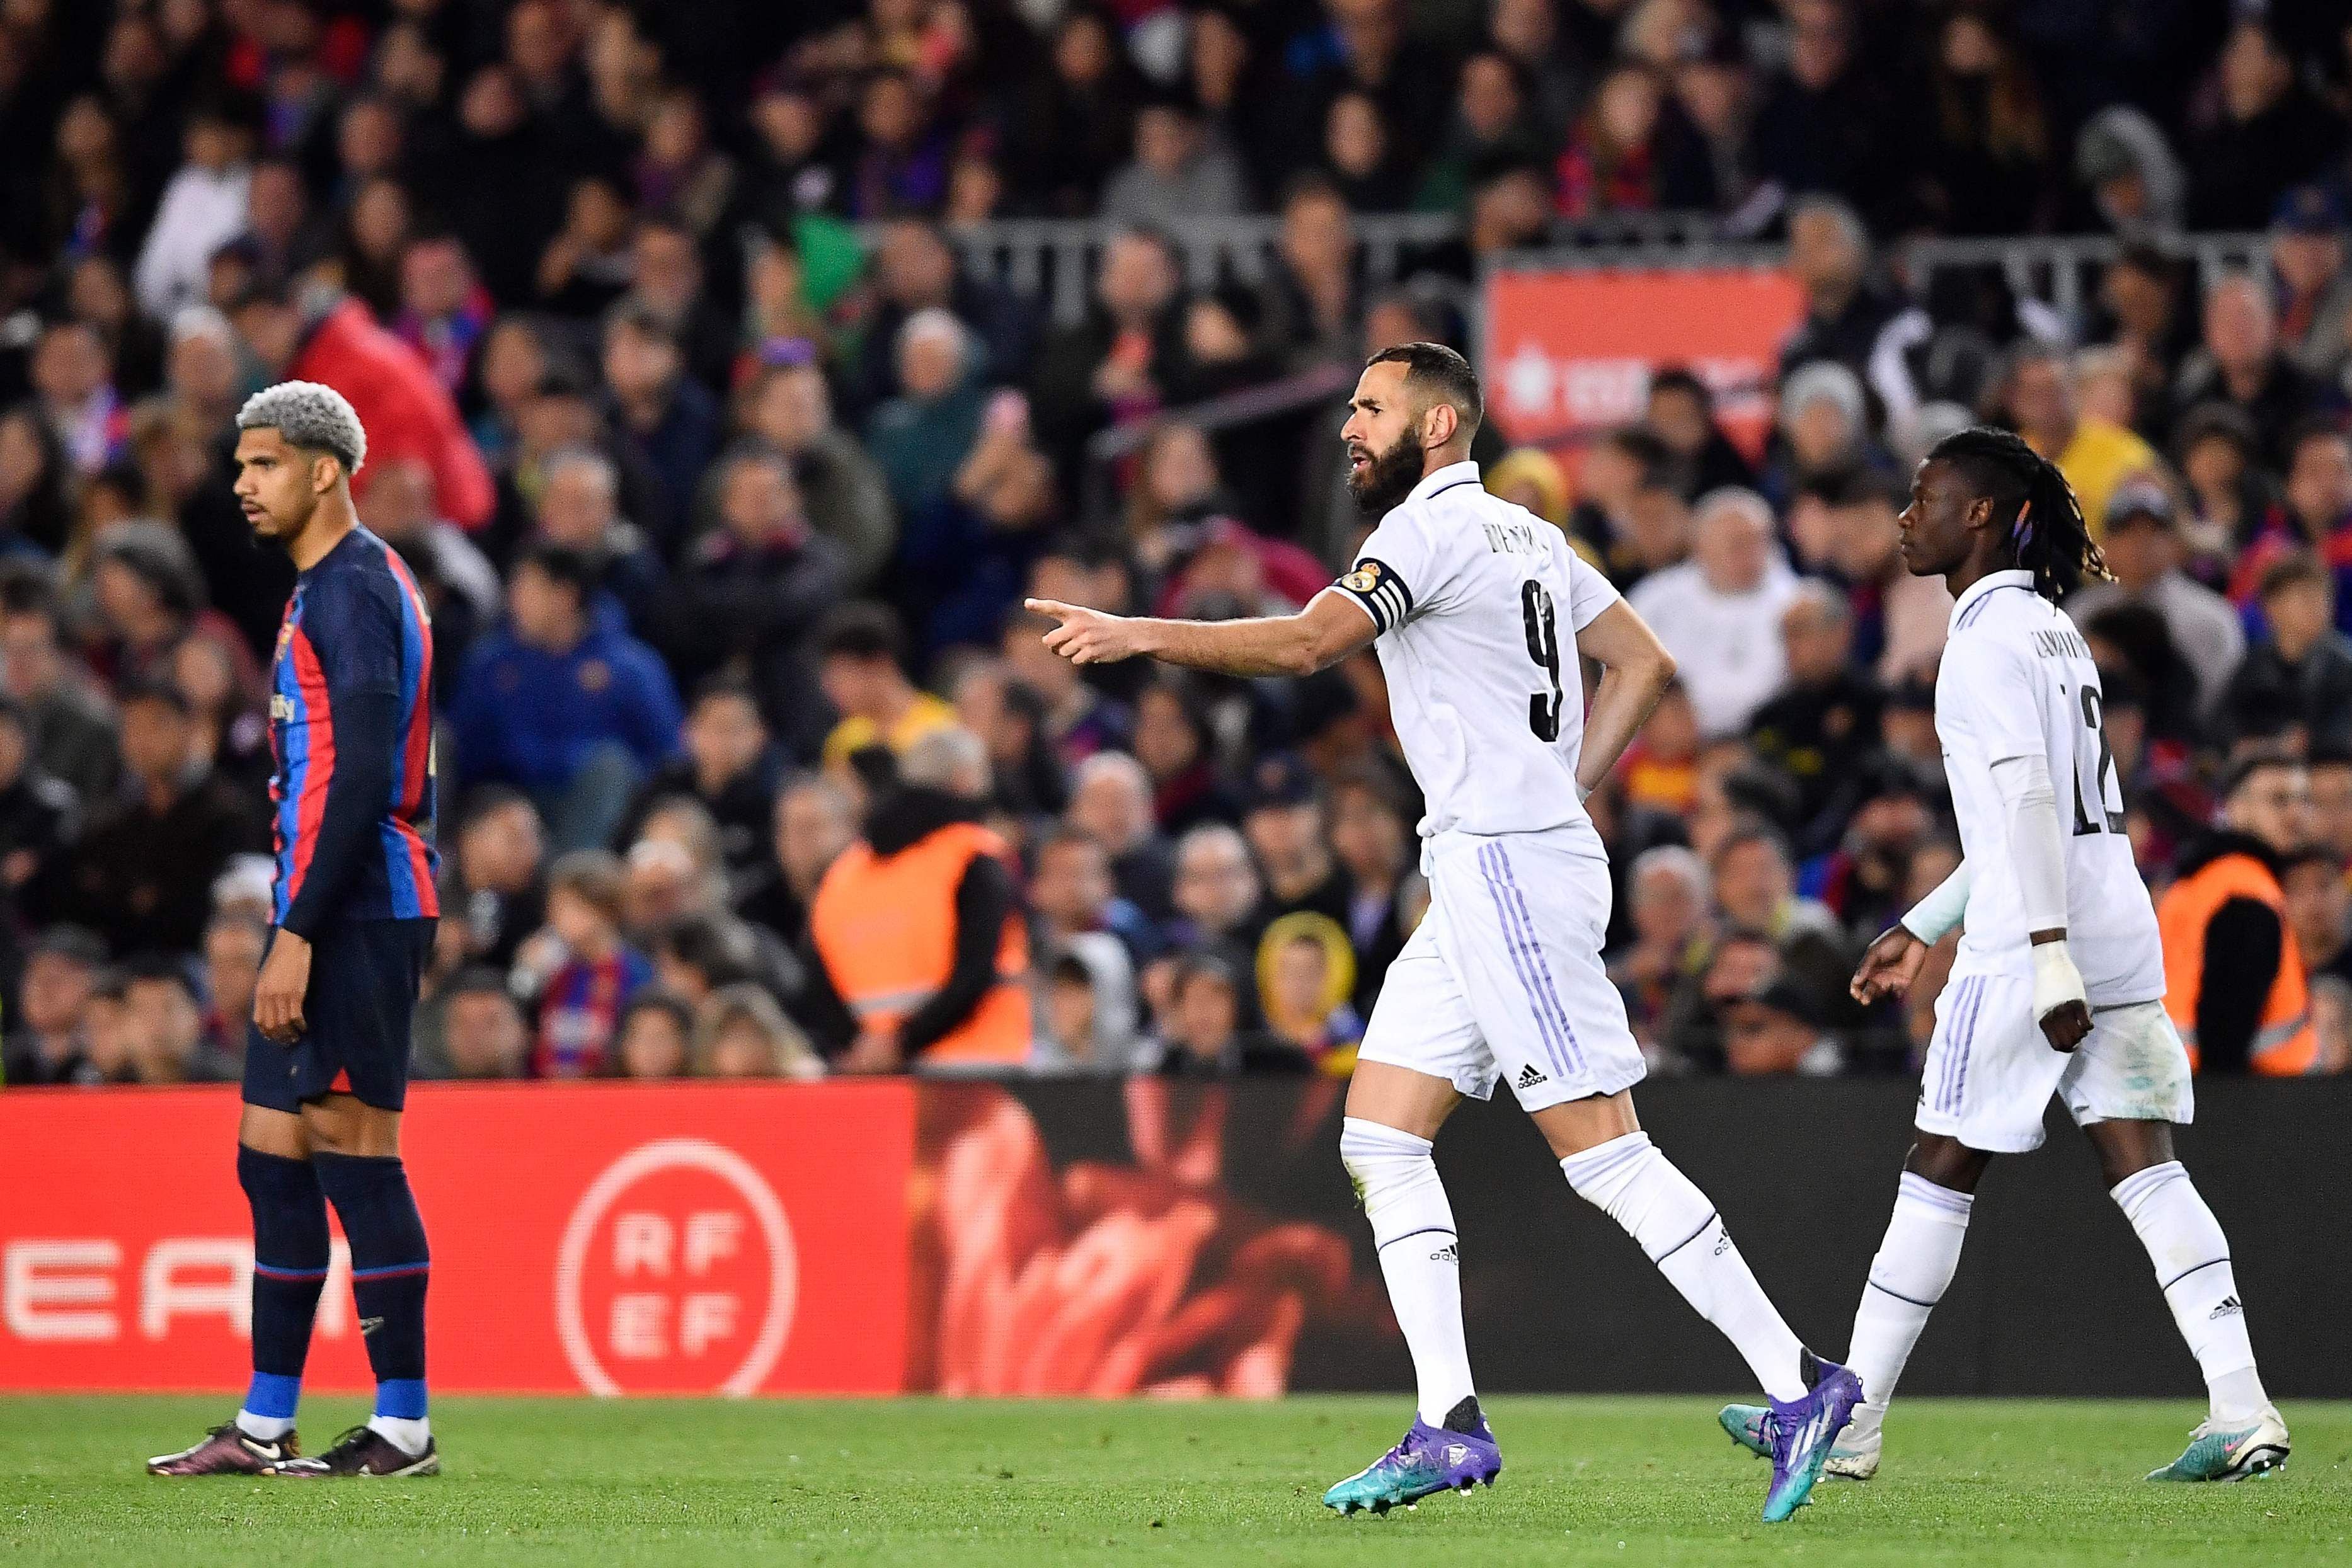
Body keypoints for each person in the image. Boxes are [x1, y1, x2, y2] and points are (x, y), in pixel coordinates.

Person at [1027, 341, 1859, 1523]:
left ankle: (1799, 1381)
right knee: (1378, 1134)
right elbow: (1641, 660)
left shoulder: (1421, 531)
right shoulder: (1529, 535)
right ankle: (1446, 1422)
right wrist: (1565, 786)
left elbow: (1315, 642)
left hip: (1506, 868)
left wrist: (1140, 632)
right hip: (1488, 863)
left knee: (1603, 1152)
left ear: (1440, 423)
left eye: (1371, 407)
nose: (1350, 427)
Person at [1721, 426, 2289, 1487]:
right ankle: (2241, 1400)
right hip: (2112, 918)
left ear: (1977, 515)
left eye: (1924, 496)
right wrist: (1925, 921)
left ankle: (1851, 1422)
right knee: (2144, 1162)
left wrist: (2042, 956)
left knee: (1937, 1165)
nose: (1905, 515)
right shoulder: (2050, 629)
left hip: (2039, 940)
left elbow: (2026, 800)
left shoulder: (1979, 643)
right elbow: (2026, 819)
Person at [150, 382, 442, 1479]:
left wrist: (299, 930)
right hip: (319, 903)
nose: (242, 483)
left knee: (357, 1156)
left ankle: (403, 1425)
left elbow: (367, 768)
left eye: (263, 462)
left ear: (326, 468)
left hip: (360, 906)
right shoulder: (322, 588)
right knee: (272, 1160)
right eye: (238, 465)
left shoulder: (356, 588)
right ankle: (263, 1424)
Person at [805, 726, 1031, 1072]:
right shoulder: (971, 855)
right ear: (964, 780)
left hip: (875, 1076)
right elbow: (977, 968)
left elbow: (817, 976)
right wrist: (904, 1042)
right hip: (977, 1069)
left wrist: (863, 1048)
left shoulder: (846, 871)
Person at [2155, 752, 2320, 1077]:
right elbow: (2225, 1031)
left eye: (2303, 801)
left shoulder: (2203, 879)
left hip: (2178, 1084)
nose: (2294, 814)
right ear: (2236, 808)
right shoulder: (2247, 894)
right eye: (2278, 800)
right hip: (2247, 1105)